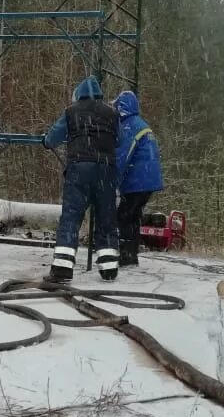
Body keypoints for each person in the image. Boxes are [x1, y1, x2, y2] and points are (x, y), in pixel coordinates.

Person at [42, 76, 120, 282]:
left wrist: (46, 141)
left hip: (80, 168)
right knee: (106, 217)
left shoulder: (71, 111)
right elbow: (119, 140)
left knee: (71, 217)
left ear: (78, 94)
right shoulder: (112, 112)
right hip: (106, 169)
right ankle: (109, 268)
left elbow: (53, 138)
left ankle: (62, 268)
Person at [113, 91, 164, 267]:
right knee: (133, 216)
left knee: (124, 216)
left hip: (137, 182)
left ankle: (127, 256)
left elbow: (123, 156)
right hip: (147, 181)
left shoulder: (129, 126)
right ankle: (131, 254)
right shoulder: (141, 124)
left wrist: (112, 180)